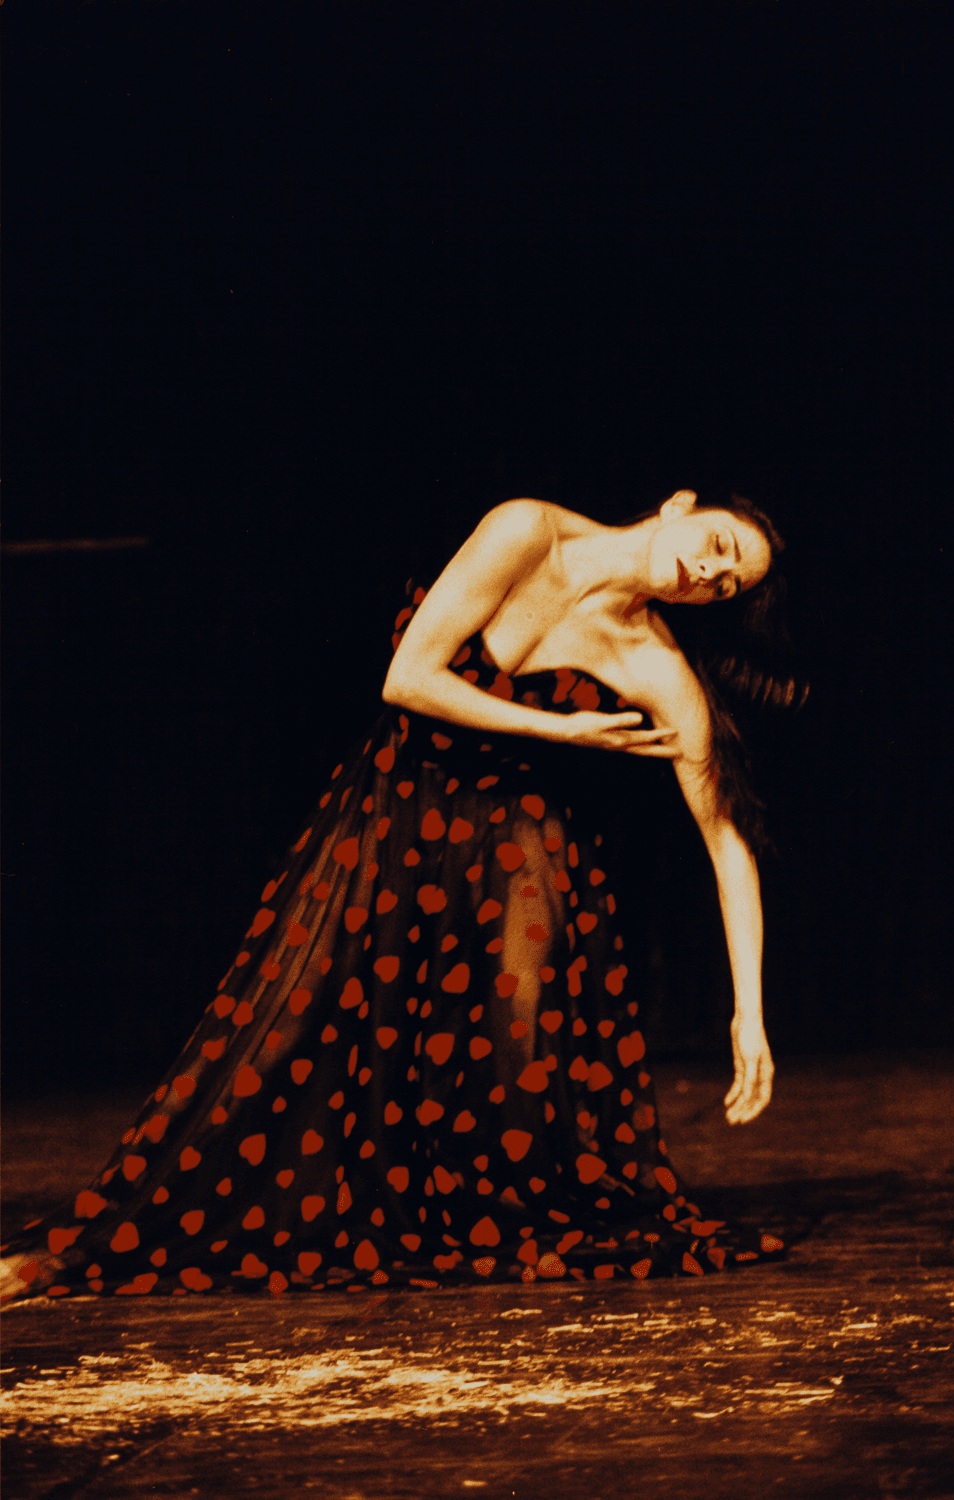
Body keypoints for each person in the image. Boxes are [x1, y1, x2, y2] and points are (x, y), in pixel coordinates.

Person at [1, 489, 798, 1301]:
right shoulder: (528, 530)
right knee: (281, 1037)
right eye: (720, 546)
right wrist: (566, 731)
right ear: (680, 506)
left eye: (725, 585)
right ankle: (99, 1244)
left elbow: (728, 844)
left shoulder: (655, 666)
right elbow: (408, 676)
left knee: (508, 1069)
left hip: (518, 857)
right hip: (395, 814)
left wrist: (750, 1012)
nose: (708, 572)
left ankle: (471, 1222)